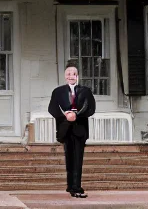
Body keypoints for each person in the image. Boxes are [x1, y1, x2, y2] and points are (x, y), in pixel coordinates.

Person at [47, 62, 96, 198]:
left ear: (78, 76)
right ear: (65, 76)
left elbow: (90, 108)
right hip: (65, 128)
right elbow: (52, 108)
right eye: (68, 74)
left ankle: (77, 187)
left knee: (78, 158)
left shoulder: (85, 91)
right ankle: (71, 186)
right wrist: (65, 115)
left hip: (80, 128)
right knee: (69, 158)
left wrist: (77, 115)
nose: (71, 76)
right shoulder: (58, 92)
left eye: (74, 74)